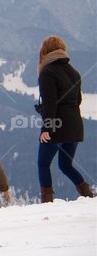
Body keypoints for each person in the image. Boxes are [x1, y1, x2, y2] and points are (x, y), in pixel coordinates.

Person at [37, 35, 94, 202]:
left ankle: (47, 202)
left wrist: (46, 128)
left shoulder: (47, 72)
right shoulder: (74, 72)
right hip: (75, 125)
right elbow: (77, 101)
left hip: (56, 125)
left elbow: (50, 104)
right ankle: (89, 196)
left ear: (45, 51)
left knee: (43, 163)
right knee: (66, 165)